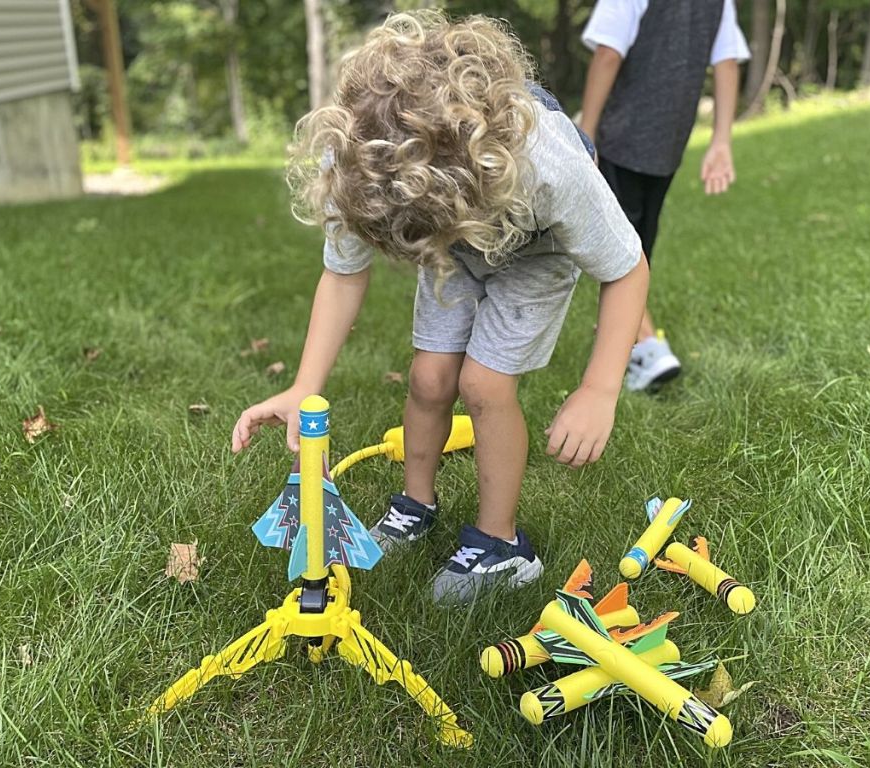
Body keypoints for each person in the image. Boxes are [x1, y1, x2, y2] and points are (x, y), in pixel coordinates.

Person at [231, 11, 648, 605]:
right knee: (429, 377)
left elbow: (628, 269)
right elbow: (342, 274)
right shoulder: (364, 162)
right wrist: (304, 385)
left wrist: (600, 389)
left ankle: (503, 546)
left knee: (483, 384)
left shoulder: (547, 164)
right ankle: (415, 505)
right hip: (453, 232)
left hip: (534, 245)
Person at [579, 0, 750, 391]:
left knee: (625, 251)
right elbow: (727, 62)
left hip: (625, 141)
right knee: (632, 246)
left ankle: (636, 344)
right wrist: (721, 138)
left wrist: (585, 133)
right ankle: (638, 342)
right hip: (664, 146)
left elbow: (607, 53)